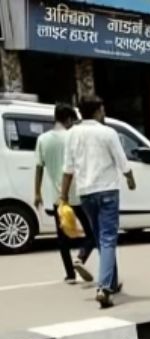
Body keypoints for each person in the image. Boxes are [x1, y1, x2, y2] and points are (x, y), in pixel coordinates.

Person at [59, 95, 134, 309]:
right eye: (102, 110)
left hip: (86, 193)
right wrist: (130, 179)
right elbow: (122, 161)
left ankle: (111, 280)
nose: (104, 113)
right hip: (108, 190)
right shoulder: (108, 132)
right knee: (108, 238)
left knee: (102, 239)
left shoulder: (72, 134)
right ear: (98, 111)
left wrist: (63, 196)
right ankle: (104, 288)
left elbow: (68, 169)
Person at [32, 103, 95, 285]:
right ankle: (81, 258)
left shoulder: (43, 140)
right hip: (80, 194)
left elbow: (39, 168)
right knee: (92, 234)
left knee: (62, 237)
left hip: (58, 198)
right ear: (69, 119)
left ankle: (70, 274)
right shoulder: (74, 137)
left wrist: (37, 193)